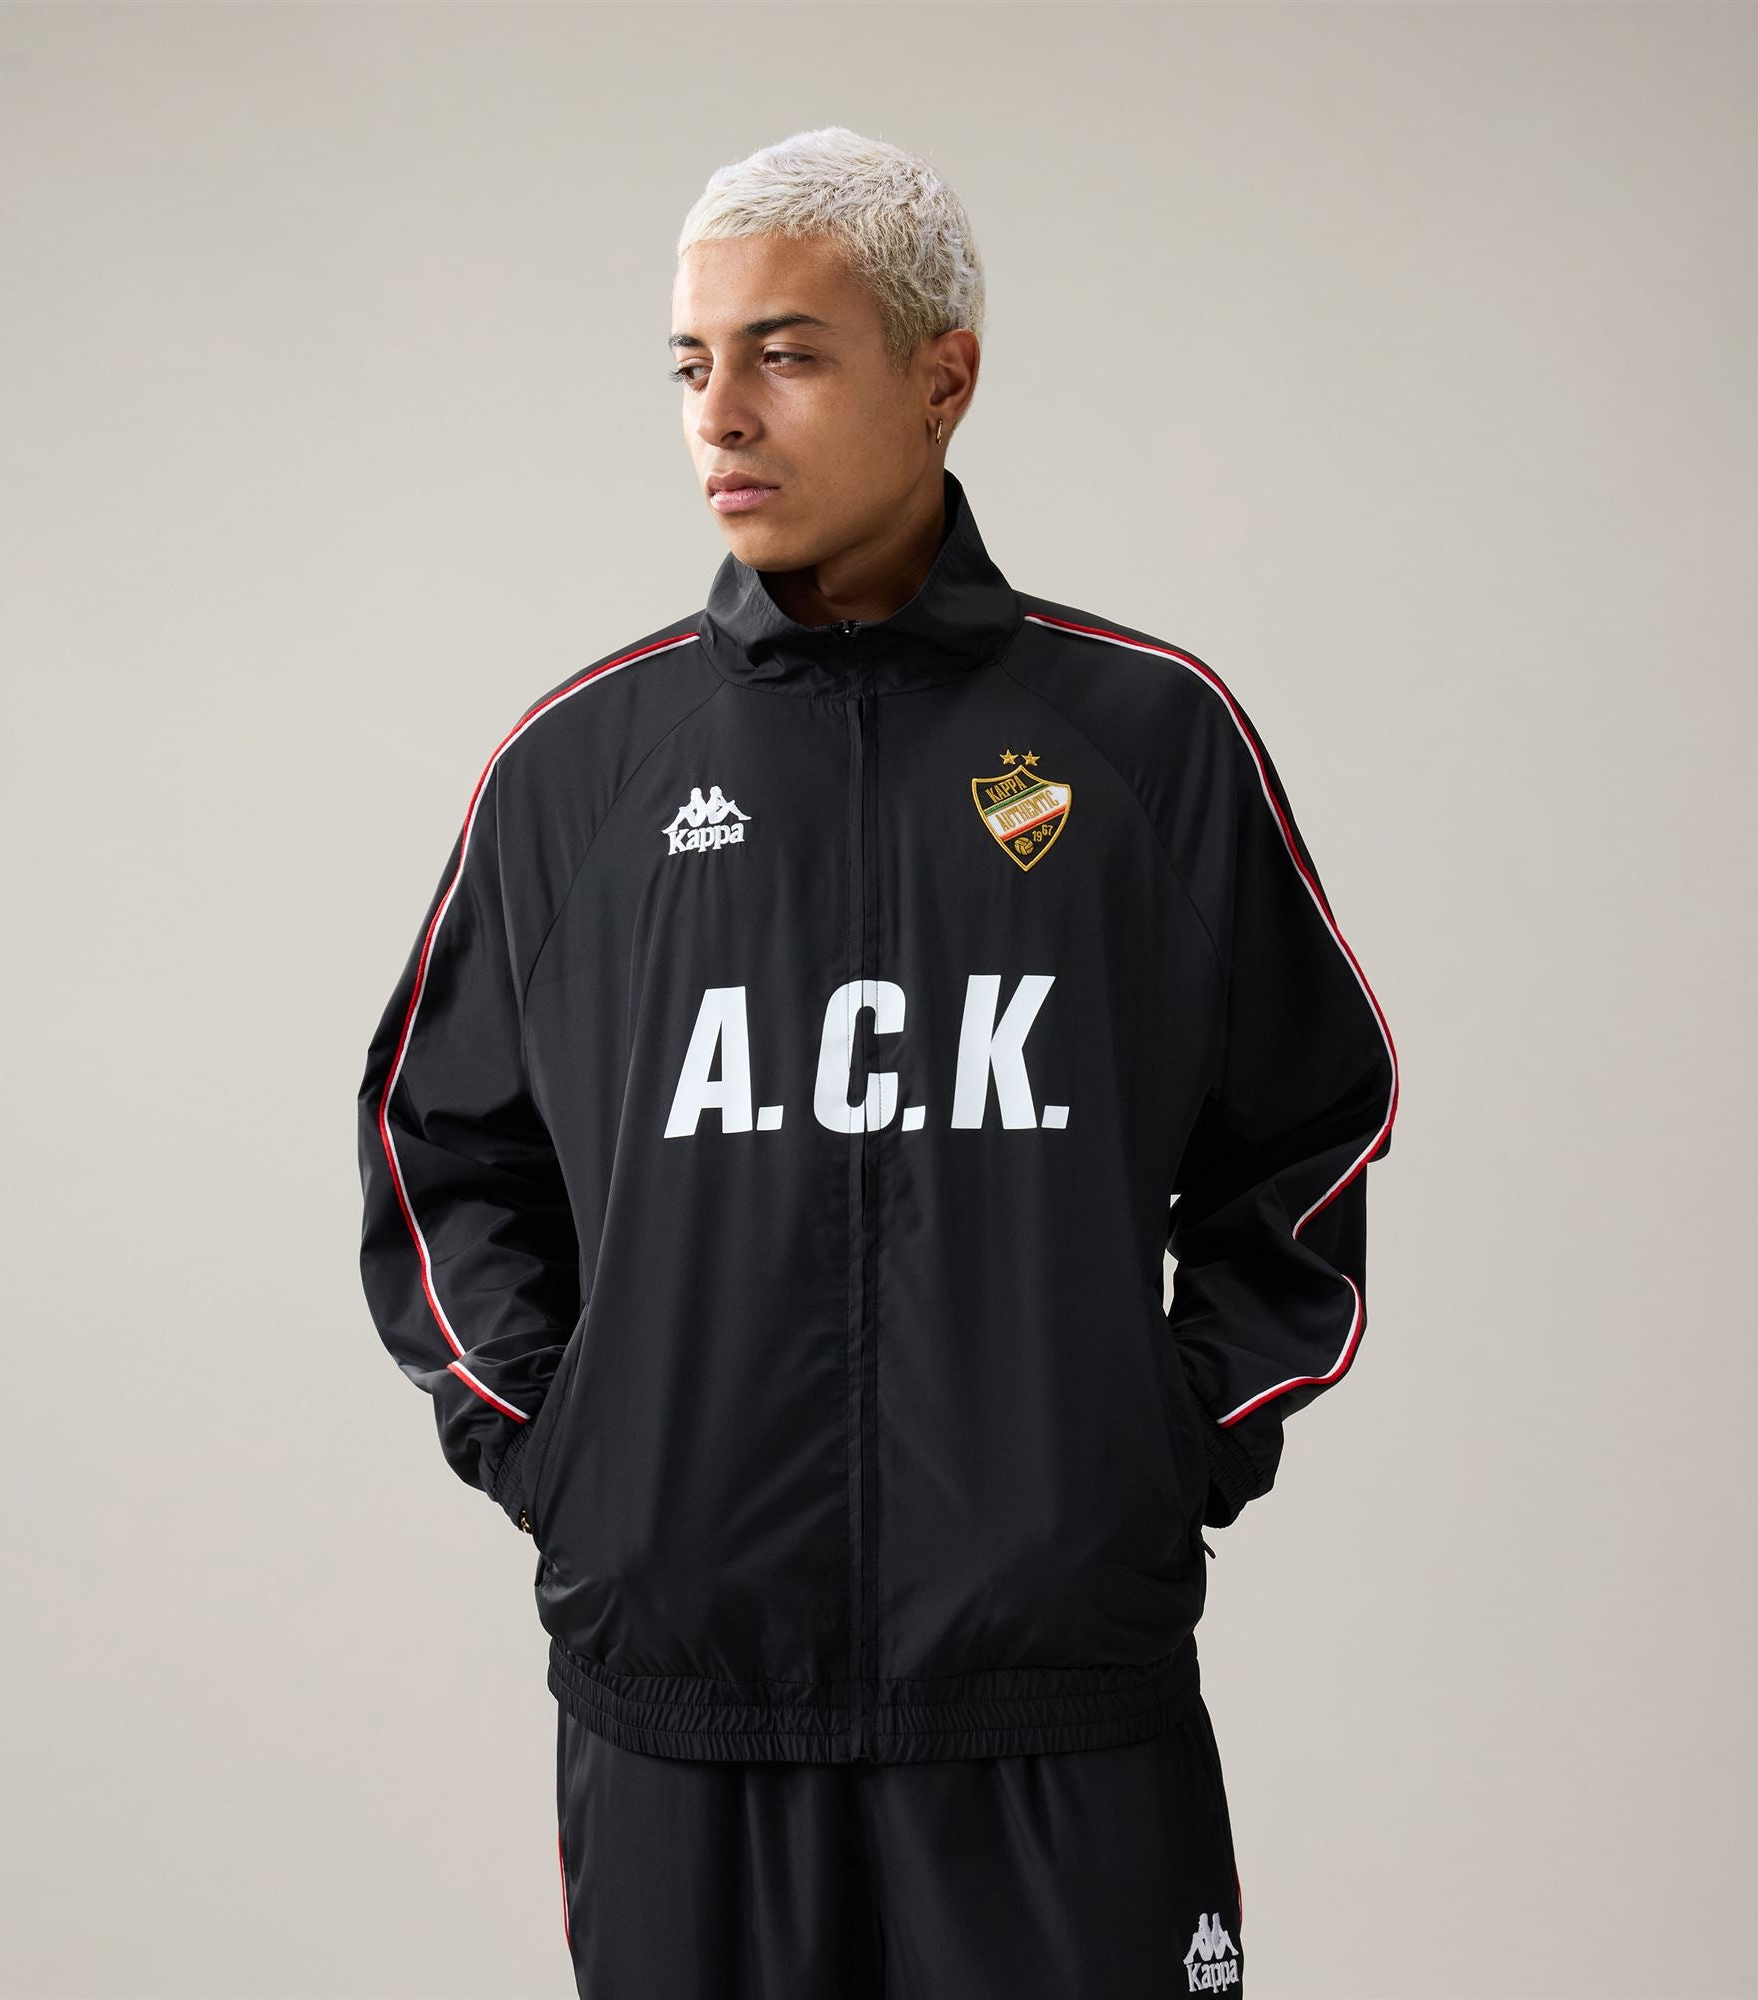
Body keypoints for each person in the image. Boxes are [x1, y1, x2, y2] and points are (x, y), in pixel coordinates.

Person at [355, 125, 1399, 1999]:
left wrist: (1157, 1450)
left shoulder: (1147, 744)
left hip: (1056, 1703)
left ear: (943, 378)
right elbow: (441, 1153)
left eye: (787, 353)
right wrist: (573, 1461)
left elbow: (1309, 1133)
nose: (721, 413)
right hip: (686, 1713)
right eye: (692, 363)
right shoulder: (579, 773)